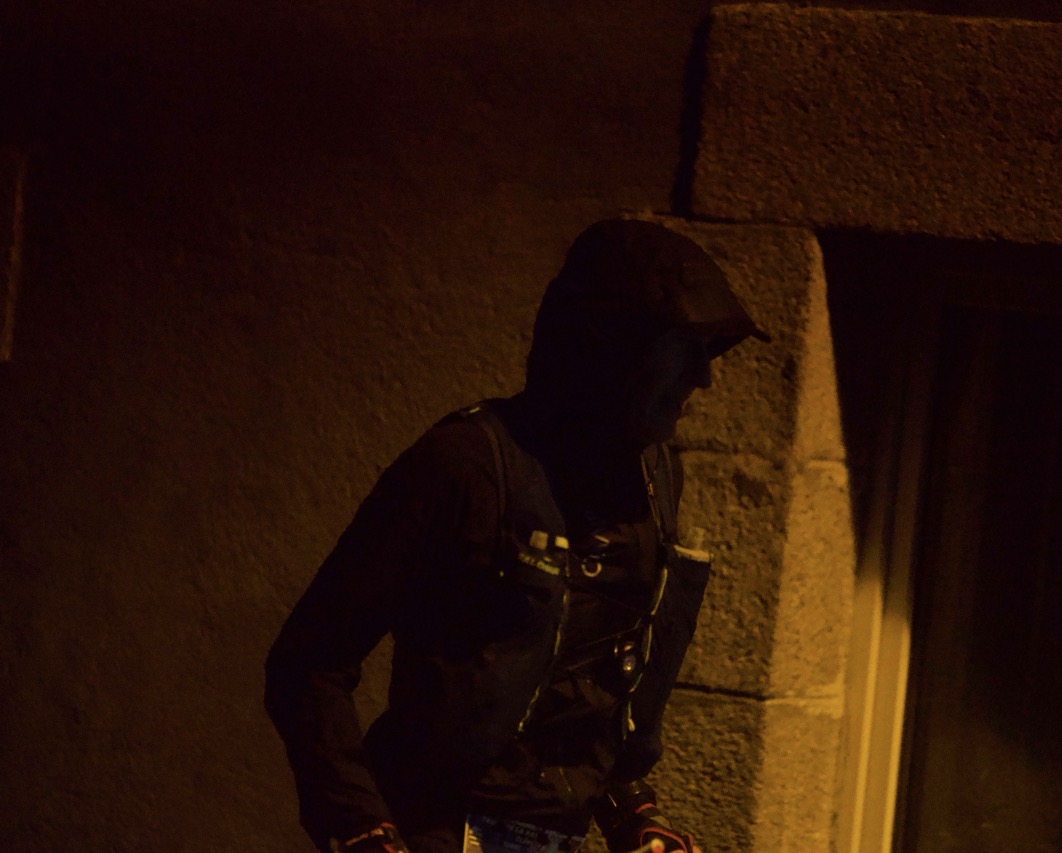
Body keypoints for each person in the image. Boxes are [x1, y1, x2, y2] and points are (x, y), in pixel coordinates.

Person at [264, 218, 768, 853]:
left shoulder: (655, 475)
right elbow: (310, 661)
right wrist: (361, 829)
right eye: (684, 347)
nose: (703, 375)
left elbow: (586, 691)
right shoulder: (465, 465)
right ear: (616, 349)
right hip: (435, 827)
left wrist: (630, 809)